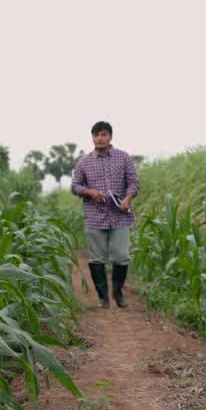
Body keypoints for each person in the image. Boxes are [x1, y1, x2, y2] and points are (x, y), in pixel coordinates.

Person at [70, 121, 139, 308]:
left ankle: (118, 293)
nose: (99, 139)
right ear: (92, 138)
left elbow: (134, 182)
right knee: (96, 258)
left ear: (110, 137)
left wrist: (127, 199)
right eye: (96, 135)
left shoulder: (123, 158)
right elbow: (75, 186)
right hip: (95, 216)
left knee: (121, 256)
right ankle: (103, 298)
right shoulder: (84, 162)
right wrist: (90, 192)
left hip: (120, 215)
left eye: (103, 135)